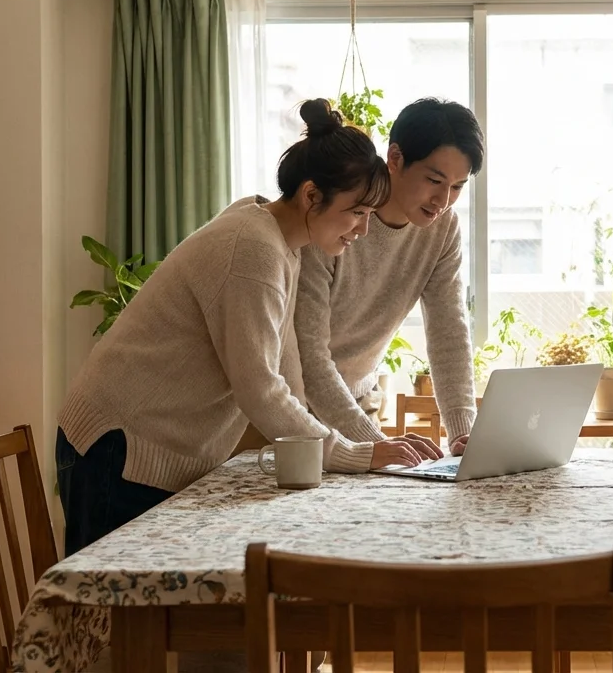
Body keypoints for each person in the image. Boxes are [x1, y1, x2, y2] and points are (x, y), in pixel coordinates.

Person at [55, 98, 439, 557]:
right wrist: (354, 454)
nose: (361, 230)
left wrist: (360, 449)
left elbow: (288, 374)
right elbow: (259, 389)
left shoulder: (282, 246)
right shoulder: (252, 249)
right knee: (111, 619)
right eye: (356, 212)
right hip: (119, 446)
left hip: (134, 448)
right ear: (312, 195)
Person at [295, 97, 485, 456]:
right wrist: (375, 446)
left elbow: (449, 331)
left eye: (458, 186)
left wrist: (462, 432)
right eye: (434, 179)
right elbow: (310, 356)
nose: (442, 200)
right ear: (395, 159)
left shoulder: (443, 229)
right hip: (293, 412)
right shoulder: (335, 215)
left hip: (357, 404)